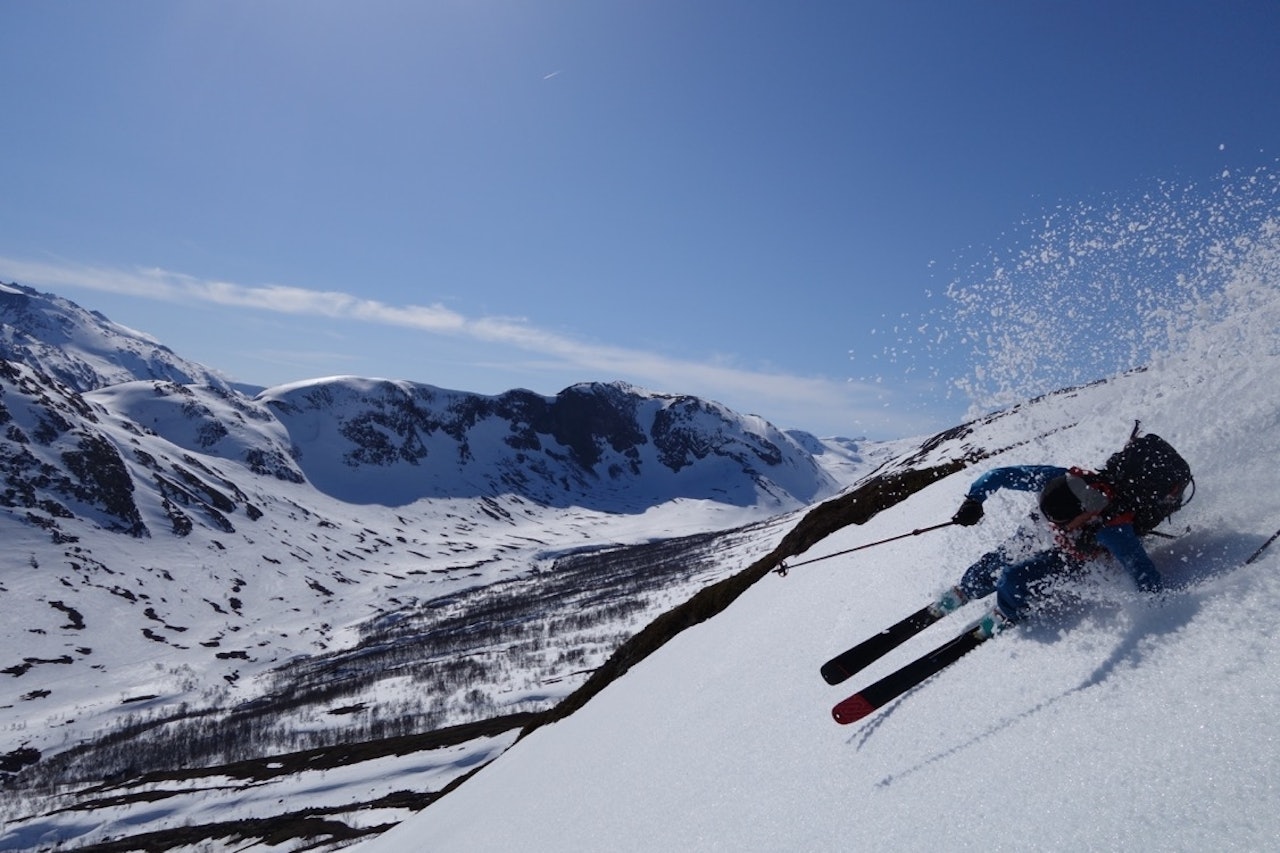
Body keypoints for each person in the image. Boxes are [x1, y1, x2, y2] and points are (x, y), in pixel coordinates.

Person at [932, 465, 1163, 629]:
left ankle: (1008, 613)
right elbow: (1000, 476)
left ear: (1086, 514)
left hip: (1079, 556)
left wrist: (1160, 615)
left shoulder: (1113, 531)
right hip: (1061, 535)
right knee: (1008, 553)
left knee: (1013, 578)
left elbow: (1146, 575)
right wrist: (974, 500)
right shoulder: (1057, 479)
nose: (1052, 526)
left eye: (1059, 524)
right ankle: (969, 587)